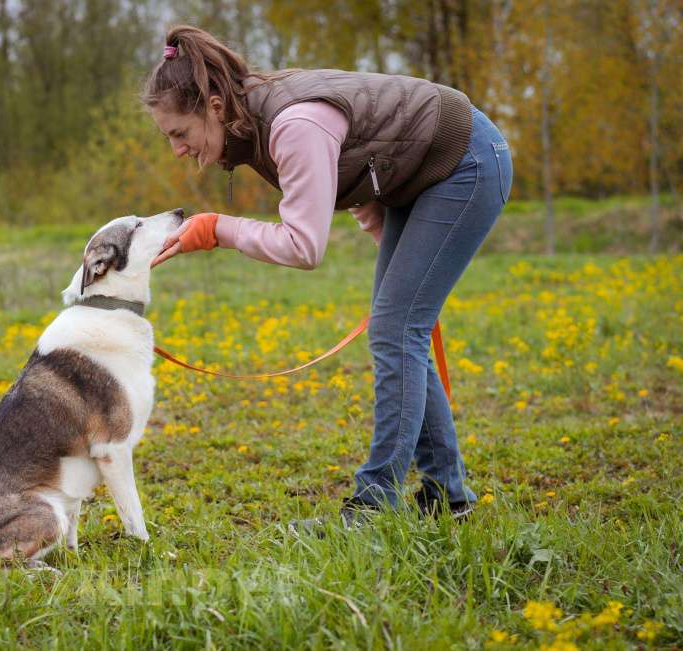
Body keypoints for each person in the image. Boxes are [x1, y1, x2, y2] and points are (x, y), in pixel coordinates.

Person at [145, 25, 512, 530]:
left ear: (212, 106)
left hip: (464, 161)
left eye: (179, 134)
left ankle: (374, 505)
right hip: (421, 178)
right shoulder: (253, 119)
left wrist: (217, 228)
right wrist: (394, 244)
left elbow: (304, 246)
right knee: (399, 328)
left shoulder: (290, 124)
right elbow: (359, 168)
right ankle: (450, 499)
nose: (178, 150)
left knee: (395, 330)